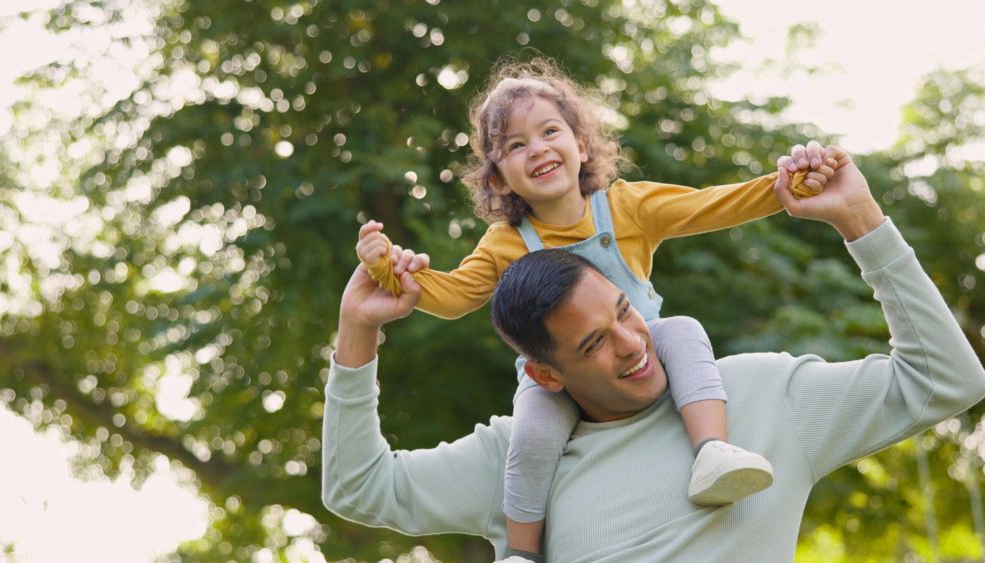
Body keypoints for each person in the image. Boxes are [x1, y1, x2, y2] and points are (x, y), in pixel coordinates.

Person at [323, 147, 985, 562]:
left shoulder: (761, 394)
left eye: (623, 312)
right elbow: (357, 487)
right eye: (594, 344)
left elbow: (947, 379)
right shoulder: (517, 457)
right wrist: (358, 329)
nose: (634, 343)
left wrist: (860, 221)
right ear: (544, 372)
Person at [354, 57, 832, 559]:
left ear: (580, 144)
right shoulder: (503, 244)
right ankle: (521, 552)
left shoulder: (627, 207)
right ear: (498, 180)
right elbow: (452, 298)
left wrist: (785, 188)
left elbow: (712, 204)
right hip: (562, 379)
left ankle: (711, 450)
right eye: (515, 146)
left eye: (549, 131)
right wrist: (388, 268)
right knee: (531, 435)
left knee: (685, 330)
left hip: (642, 353)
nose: (537, 148)